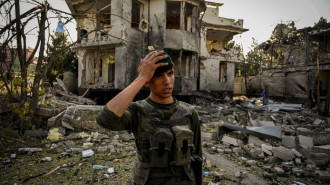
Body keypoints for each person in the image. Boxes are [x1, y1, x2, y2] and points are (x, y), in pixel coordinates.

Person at [96, 50, 202, 185]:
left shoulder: (190, 113)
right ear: (148, 82)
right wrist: (141, 78)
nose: (167, 81)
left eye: (170, 74)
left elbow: (198, 158)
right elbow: (105, 119)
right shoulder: (137, 111)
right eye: (158, 76)